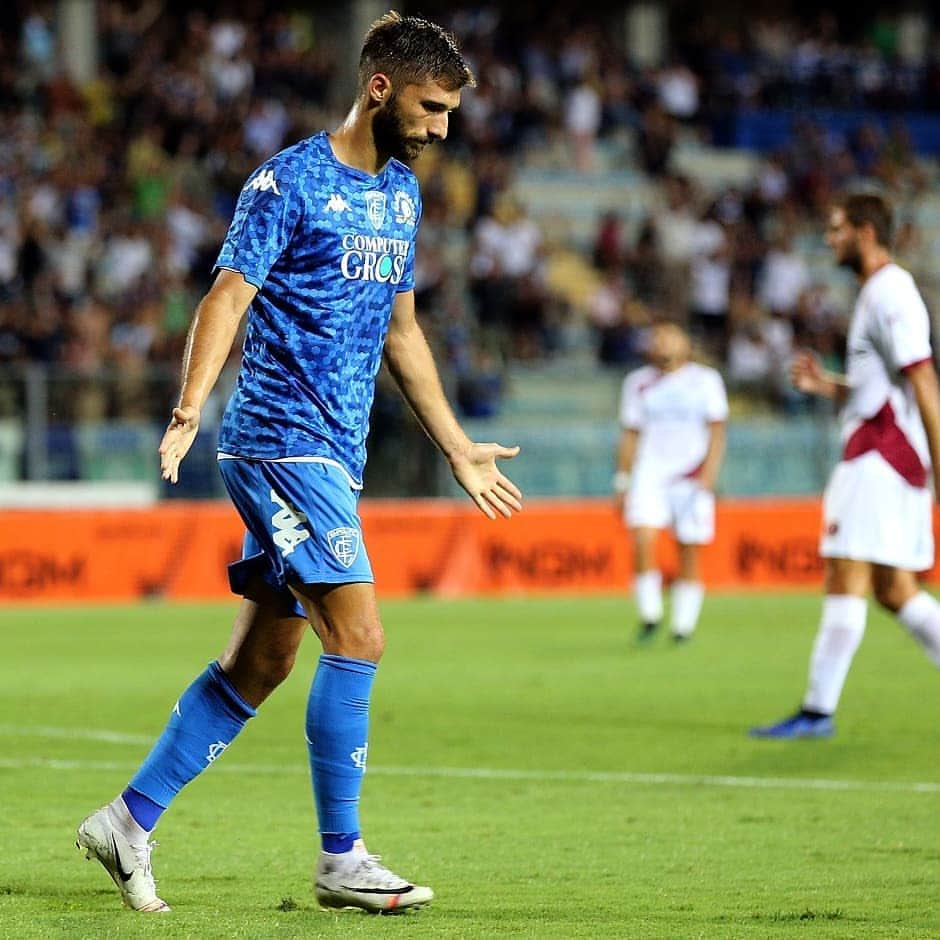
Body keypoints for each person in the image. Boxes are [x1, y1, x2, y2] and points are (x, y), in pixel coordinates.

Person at [75, 12, 522, 914]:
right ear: (381, 89)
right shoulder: (289, 182)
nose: (442, 130)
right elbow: (227, 294)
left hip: (334, 455)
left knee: (266, 661)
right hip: (280, 443)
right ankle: (341, 857)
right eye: (433, 109)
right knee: (358, 635)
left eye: (451, 114)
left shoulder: (402, 195)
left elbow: (402, 333)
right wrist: (192, 404)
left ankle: (128, 819)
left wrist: (458, 443)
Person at [751, 192, 940, 740]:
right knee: (894, 591)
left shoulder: (889, 293)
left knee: (845, 573)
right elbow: (887, 386)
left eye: (836, 229)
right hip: (888, 453)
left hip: (879, 457)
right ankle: (817, 711)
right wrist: (829, 385)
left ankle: (816, 712)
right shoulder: (875, 294)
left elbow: (924, 380)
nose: (828, 239)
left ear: (865, 230)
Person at [614, 321, 728, 643]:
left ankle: (683, 625)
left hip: (690, 476)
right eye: (656, 337)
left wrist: (709, 472)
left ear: (685, 343)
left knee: (688, 550)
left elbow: (717, 429)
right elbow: (630, 433)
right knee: (643, 538)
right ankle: (650, 614)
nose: (662, 342)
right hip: (649, 474)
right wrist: (622, 480)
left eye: (669, 336)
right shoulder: (637, 383)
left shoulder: (706, 380)